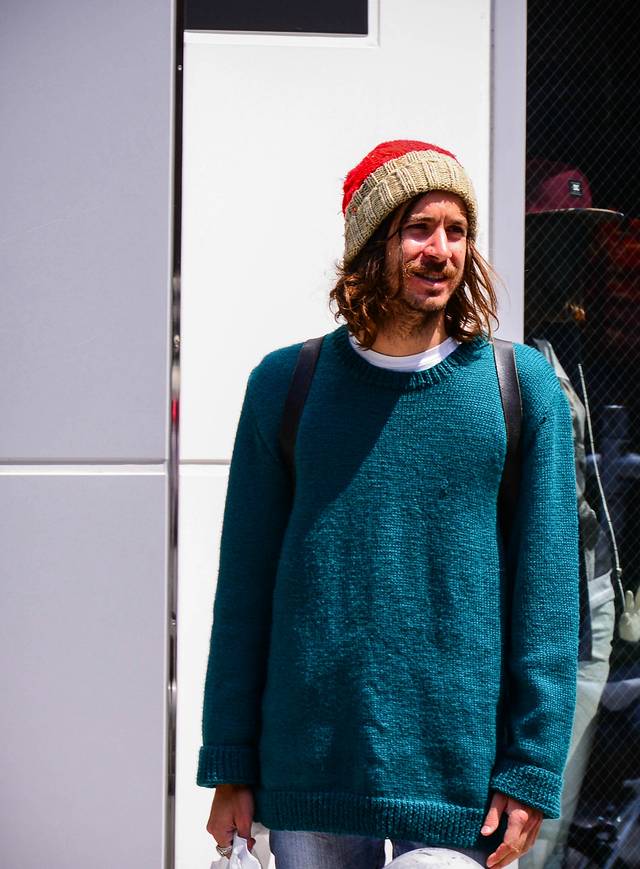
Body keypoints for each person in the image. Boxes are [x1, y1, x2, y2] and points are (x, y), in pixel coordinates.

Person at [197, 140, 580, 869]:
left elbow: (548, 598)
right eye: (418, 229)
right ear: (371, 245)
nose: (441, 250)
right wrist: (230, 764)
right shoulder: (286, 385)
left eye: (457, 231)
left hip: (460, 778)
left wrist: (531, 765)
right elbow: (243, 591)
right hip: (309, 768)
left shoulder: (519, 386)